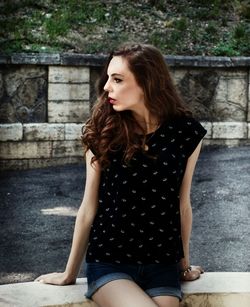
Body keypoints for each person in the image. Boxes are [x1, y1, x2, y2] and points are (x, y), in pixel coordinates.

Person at [36, 43, 206, 307]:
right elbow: (88, 208)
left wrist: (183, 267)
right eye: (108, 78)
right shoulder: (103, 131)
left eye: (117, 79)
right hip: (110, 262)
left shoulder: (186, 133)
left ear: (147, 82)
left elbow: (182, 204)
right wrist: (69, 273)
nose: (106, 87)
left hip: (162, 265)